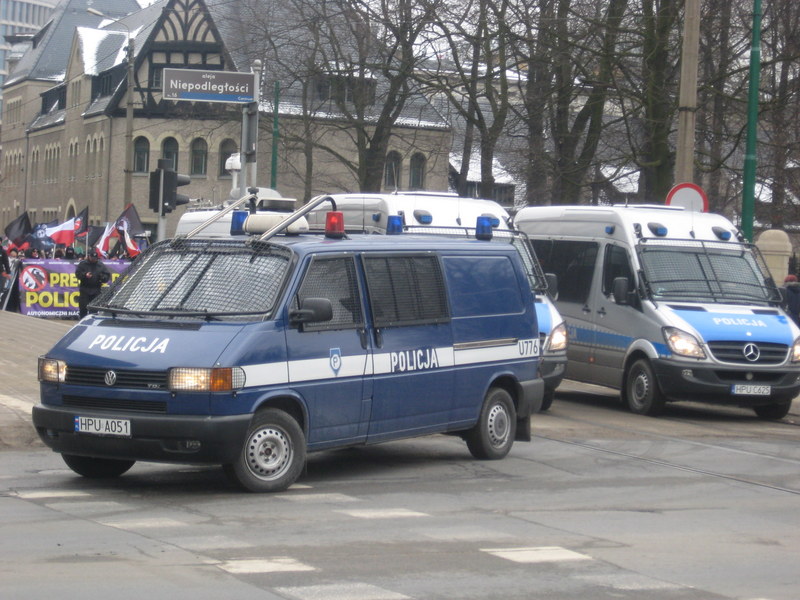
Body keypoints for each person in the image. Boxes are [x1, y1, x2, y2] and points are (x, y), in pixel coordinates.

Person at [75, 248, 111, 318]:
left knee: (94, 309)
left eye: (95, 258)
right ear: (89, 256)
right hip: (85, 289)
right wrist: (85, 275)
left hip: (96, 289)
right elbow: (77, 274)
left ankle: (92, 321)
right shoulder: (83, 264)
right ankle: (82, 320)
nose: (94, 259)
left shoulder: (100, 265)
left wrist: (102, 277)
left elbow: (107, 275)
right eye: (92, 258)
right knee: (83, 308)